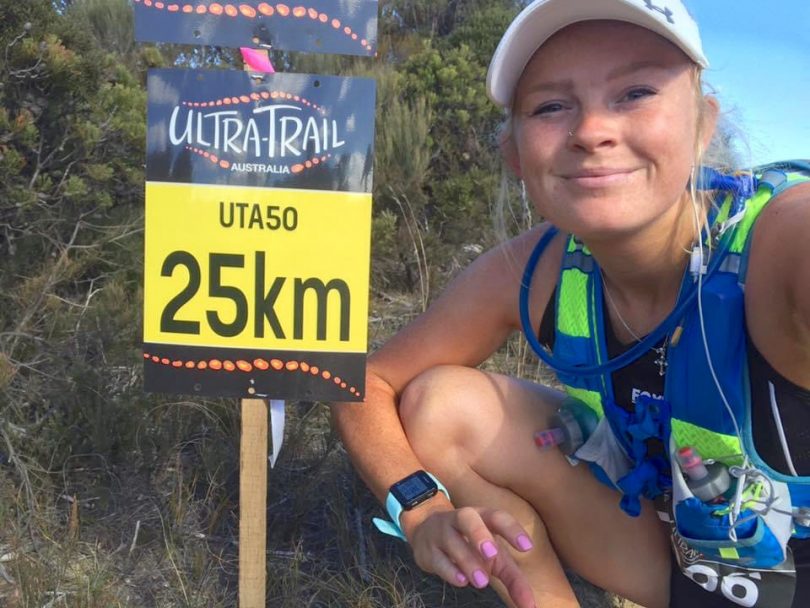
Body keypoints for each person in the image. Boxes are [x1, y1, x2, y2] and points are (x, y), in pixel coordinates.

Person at [331, 1, 810, 606]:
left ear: (702, 124)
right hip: (678, 563)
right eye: (552, 106)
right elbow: (366, 382)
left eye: (635, 92)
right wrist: (421, 510)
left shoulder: (782, 238)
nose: (591, 131)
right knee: (441, 406)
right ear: (516, 156)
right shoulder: (538, 270)